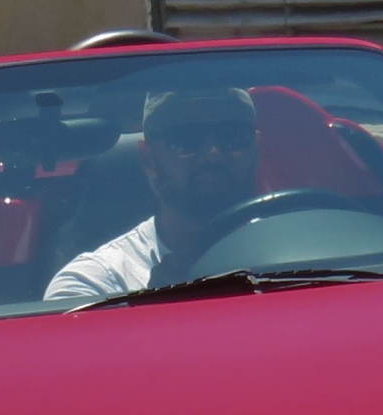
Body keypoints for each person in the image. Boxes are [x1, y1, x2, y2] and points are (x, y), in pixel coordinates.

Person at [43, 88, 259, 302]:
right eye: (186, 139)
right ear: (148, 160)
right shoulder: (95, 284)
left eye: (233, 136)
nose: (213, 155)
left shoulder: (292, 256)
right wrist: (155, 307)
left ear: (255, 149)